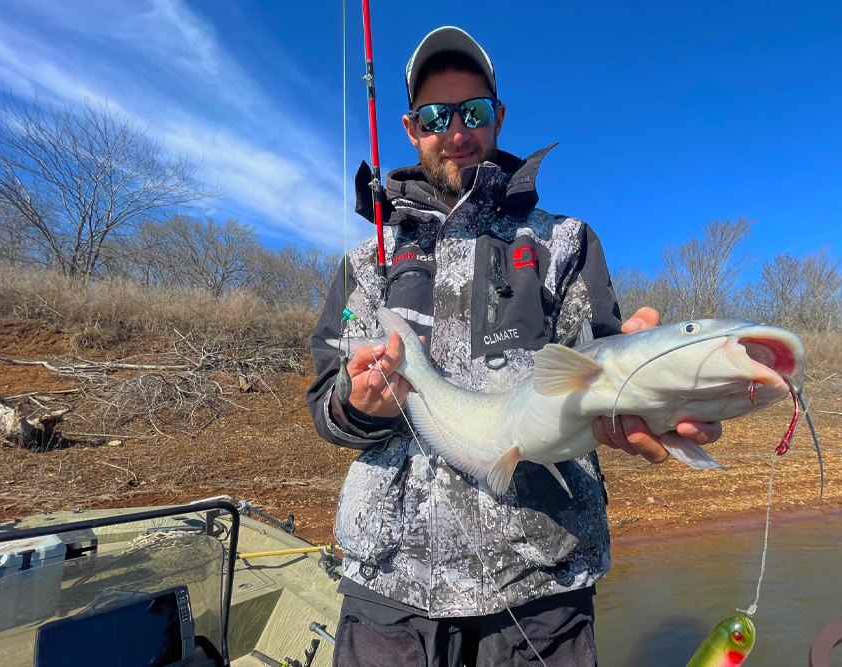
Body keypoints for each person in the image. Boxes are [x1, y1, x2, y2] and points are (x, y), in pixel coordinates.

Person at [306, 26, 721, 667]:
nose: (456, 131)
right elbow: (327, 408)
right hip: (389, 587)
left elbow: (598, 357)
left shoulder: (564, 243)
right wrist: (360, 405)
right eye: (436, 116)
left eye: (472, 112)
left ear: (497, 118)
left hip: (540, 582)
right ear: (412, 128)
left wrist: (643, 392)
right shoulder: (366, 263)